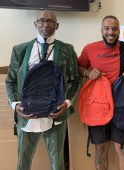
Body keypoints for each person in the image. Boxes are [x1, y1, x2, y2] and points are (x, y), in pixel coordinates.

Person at [5, 10, 81, 170]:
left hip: (55, 115)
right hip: (27, 115)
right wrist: (15, 105)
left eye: (50, 21)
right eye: (41, 20)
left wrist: (67, 103)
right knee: (23, 163)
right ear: (35, 24)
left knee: (58, 163)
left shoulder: (67, 50)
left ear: (57, 25)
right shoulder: (20, 50)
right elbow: (10, 80)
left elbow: (75, 80)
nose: (46, 24)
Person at [78, 15, 124, 170]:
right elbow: (80, 66)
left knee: (123, 149)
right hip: (97, 107)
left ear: (119, 31)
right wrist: (88, 73)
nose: (110, 32)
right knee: (100, 150)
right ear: (101, 30)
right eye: (107, 28)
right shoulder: (89, 49)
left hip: (123, 107)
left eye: (114, 28)